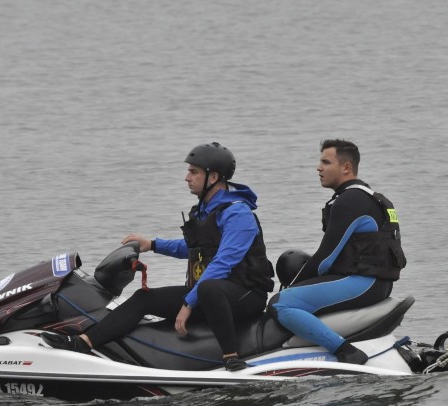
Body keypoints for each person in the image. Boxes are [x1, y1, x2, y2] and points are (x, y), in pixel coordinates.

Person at [43, 142, 274, 371]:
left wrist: (188, 304)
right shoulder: (205, 209)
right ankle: (82, 343)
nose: (186, 177)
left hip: (244, 297)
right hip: (209, 294)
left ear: (213, 177)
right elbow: (195, 249)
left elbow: (223, 263)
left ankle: (230, 357)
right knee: (144, 298)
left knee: (209, 288)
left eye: (193, 172)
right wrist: (152, 244)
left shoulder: (237, 213)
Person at [269, 139, 406, 365]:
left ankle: (346, 352)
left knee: (280, 304)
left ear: (346, 167)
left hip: (363, 284)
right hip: (376, 283)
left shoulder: (350, 200)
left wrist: (293, 286)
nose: (318, 168)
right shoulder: (370, 196)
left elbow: (324, 260)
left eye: (325, 162)